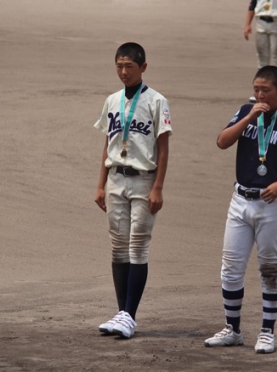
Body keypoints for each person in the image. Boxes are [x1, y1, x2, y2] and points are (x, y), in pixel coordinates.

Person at [205, 65, 277, 354]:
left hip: (272, 205)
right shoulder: (246, 112)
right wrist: (248, 118)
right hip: (240, 200)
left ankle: (267, 331)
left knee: (269, 268)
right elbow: (222, 142)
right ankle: (232, 329)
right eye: (256, 89)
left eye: (265, 90)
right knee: (230, 268)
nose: (260, 95)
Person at [94, 42, 172, 339]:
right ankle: (122, 313)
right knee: (118, 246)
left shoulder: (157, 101)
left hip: (144, 180)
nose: (124, 71)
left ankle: (129, 315)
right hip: (116, 177)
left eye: (129, 66)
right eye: (119, 66)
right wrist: (100, 184)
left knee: (138, 245)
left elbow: (163, 148)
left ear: (143, 67)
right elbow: (108, 144)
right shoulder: (112, 100)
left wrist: (158, 187)